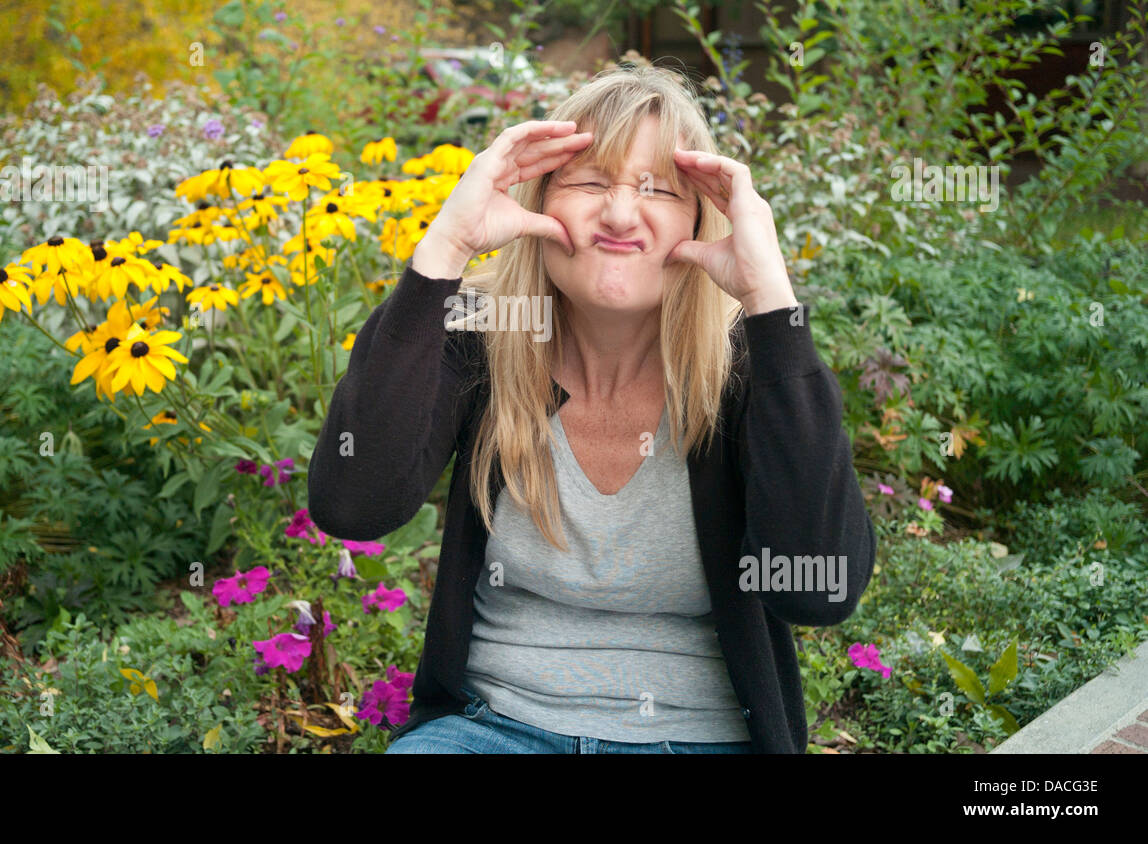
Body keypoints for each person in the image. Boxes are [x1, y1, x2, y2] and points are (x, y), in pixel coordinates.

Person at [306, 64, 875, 754]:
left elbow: (820, 592)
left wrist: (770, 300)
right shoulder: (482, 342)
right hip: (489, 730)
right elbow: (354, 506)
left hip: (701, 738)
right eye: (591, 181)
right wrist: (445, 249)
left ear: (702, 217)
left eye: (659, 188)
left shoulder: (750, 368)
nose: (620, 213)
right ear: (538, 200)